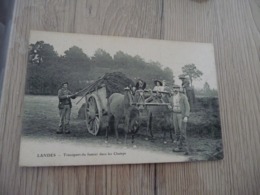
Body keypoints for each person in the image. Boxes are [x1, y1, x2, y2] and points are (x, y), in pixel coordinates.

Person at [169, 84, 190, 154]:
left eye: (177, 88)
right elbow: (171, 106)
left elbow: (187, 107)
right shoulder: (171, 97)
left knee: (182, 131)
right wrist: (170, 107)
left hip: (181, 115)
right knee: (176, 131)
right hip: (174, 114)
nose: (175, 89)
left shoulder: (183, 96)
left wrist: (186, 116)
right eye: (174, 88)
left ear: (179, 89)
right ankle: (179, 147)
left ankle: (187, 149)